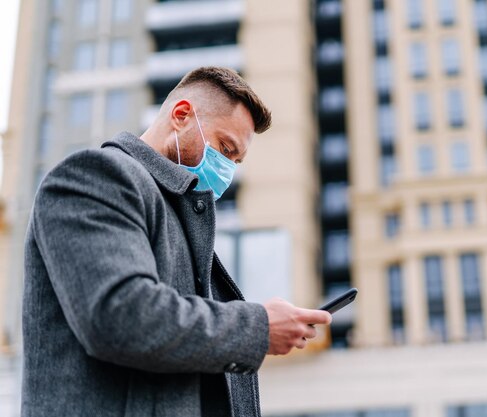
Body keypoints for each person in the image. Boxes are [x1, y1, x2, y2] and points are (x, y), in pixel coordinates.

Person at [21, 66, 332, 417]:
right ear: (182, 115)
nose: (227, 169)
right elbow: (120, 315)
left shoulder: (181, 220)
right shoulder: (95, 177)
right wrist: (258, 328)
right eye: (225, 149)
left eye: (236, 160)